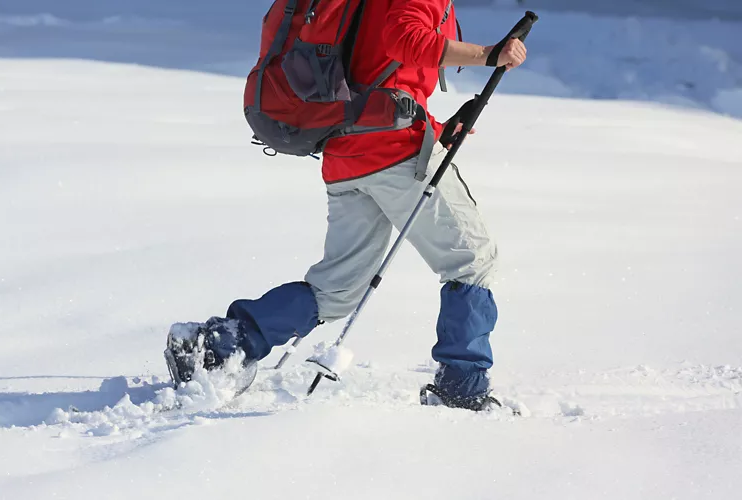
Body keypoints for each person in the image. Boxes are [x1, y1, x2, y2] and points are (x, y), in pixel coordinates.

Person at [166, 0, 527, 411]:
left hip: (347, 154)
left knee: (336, 290)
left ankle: (218, 345)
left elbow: (372, 73)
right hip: (395, 151)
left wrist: (439, 130)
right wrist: (489, 55)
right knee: (472, 261)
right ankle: (462, 388)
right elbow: (405, 40)